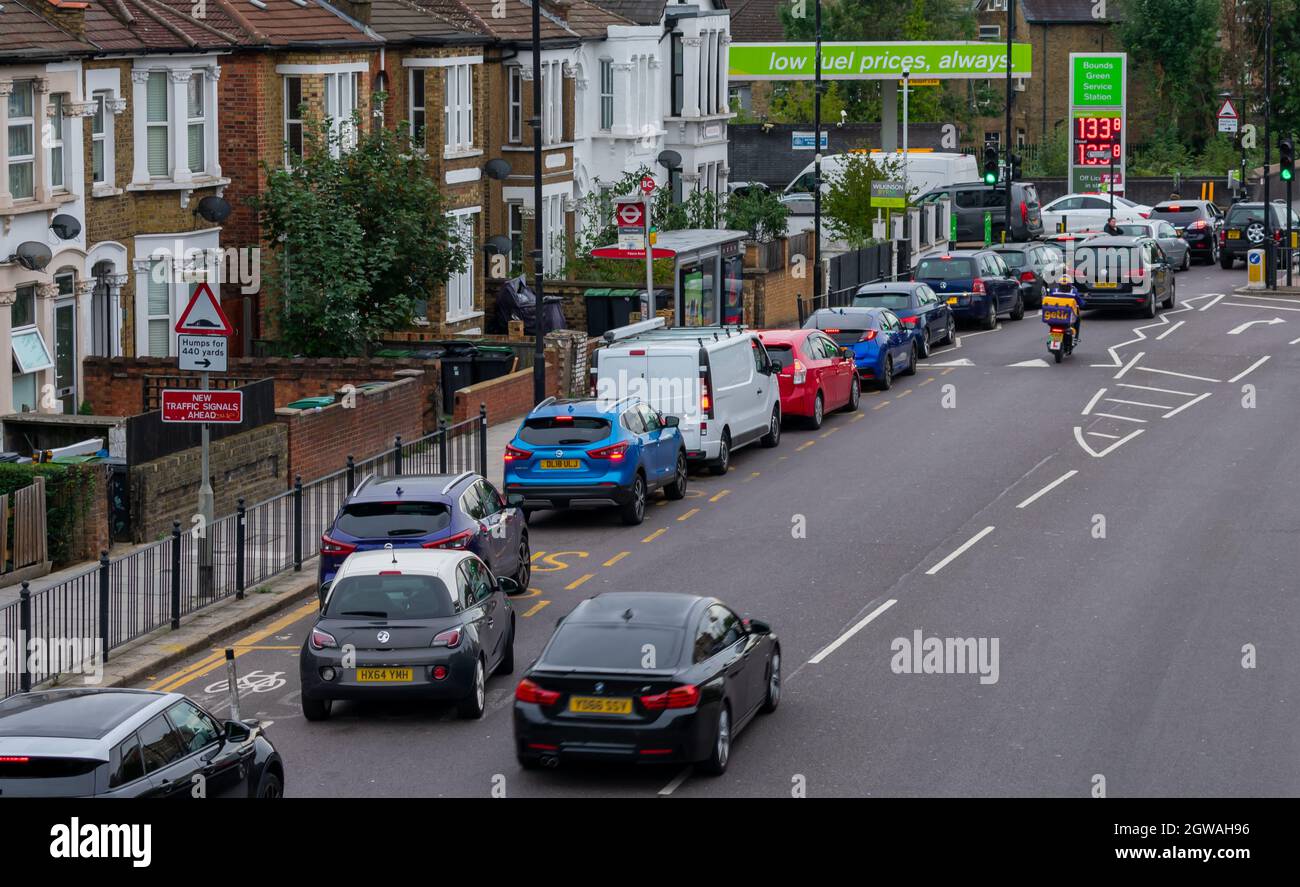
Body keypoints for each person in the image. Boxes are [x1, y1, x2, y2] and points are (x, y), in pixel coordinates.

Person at [1048, 274, 1084, 344]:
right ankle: (1075, 338)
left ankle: (1052, 340)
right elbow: (1081, 303)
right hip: (1067, 318)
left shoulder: (1054, 291)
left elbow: (1048, 299)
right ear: (1070, 285)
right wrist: (1084, 303)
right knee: (1078, 319)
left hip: (1055, 316)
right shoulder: (1073, 292)